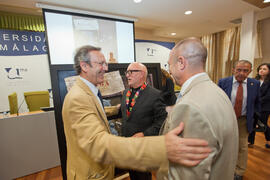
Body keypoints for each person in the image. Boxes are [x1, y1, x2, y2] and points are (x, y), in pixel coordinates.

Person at [62, 45, 212, 180]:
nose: (106, 68)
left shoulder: (91, 93)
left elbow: (160, 121)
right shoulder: (79, 98)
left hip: (129, 155)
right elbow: (97, 143)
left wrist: (145, 136)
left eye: (105, 63)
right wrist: (163, 147)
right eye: (101, 64)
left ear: (142, 74)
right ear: (84, 66)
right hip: (94, 172)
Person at [159, 37, 239, 180]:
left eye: (169, 64)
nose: (169, 70)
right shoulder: (217, 91)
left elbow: (186, 175)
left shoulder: (189, 106)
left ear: (181, 63)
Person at [120, 62, 168, 180]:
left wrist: (143, 134)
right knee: (133, 175)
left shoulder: (156, 95)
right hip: (127, 145)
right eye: (127, 72)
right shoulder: (126, 93)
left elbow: (162, 122)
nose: (127, 75)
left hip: (143, 148)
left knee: (142, 177)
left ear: (142, 74)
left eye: (131, 72)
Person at [218, 60, 260, 180]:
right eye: (239, 70)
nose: (242, 73)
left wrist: (255, 120)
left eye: (245, 70)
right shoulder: (223, 82)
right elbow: (217, 100)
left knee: (242, 146)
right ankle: (224, 168)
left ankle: (239, 172)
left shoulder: (255, 84)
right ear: (233, 70)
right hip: (226, 118)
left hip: (243, 120)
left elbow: (257, 103)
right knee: (224, 144)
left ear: (250, 71)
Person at [248, 63, 270, 148]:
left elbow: (268, 96)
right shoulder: (254, 80)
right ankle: (250, 141)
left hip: (265, 107)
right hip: (254, 106)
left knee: (263, 124)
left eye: (264, 69)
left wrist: (257, 100)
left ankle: (269, 139)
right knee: (252, 122)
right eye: (260, 68)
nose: (261, 70)